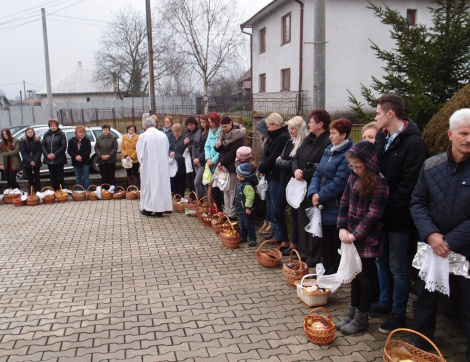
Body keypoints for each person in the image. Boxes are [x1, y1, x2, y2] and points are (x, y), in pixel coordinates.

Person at [409, 108, 470, 359]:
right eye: (464, 133)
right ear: (450, 134)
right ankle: (420, 344)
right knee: (425, 298)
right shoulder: (431, 165)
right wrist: (432, 234)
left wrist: (450, 241)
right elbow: (418, 202)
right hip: (433, 246)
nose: (468, 139)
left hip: (465, 249)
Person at [371, 94, 428, 333]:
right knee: (381, 260)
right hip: (379, 216)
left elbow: (408, 186)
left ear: (390, 114)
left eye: (378, 113)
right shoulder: (382, 138)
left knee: (398, 265)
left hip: (398, 219)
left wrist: (383, 213)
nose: (375, 117)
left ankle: (398, 313)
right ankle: (385, 302)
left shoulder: (414, 144)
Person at [335, 141, 389, 335]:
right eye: (353, 166)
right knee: (355, 277)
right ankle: (351, 313)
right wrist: (342, 228)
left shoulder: (378, 181)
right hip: (350, 236)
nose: (355, 170)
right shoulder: (352, 177)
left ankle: (361, 318)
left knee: (366, 278)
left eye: (359, 166)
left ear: (369, 162)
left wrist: (355, 234)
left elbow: (374, 214)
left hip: (367, 239)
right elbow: (344, 203)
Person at [307, 118, 353, 273]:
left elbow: (340, 182)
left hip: (335, 206)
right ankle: (328, 272)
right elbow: (318, 173)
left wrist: (320, 196)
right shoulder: (329, 150)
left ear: (344, 135)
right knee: (325, 242)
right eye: (331, 133)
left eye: (334, 133)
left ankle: (336, 274)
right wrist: (313, 192)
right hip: (322, 204)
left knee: (334, 243)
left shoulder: (347, 155)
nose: (331, 136)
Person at [292, 109, 332, 266]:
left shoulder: (327, 142)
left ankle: (314, 257)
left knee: (314, 223)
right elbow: (295, 156)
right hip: (301, 186)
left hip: (315, 187)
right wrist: (296, 169)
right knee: (302, 220)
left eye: (311, 122)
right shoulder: (309, 139)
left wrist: (306, 172)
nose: (308, 124)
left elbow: (323, 166)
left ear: (321, 124)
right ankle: (304, 252)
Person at [275, 116, 309, 255]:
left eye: (293, 128)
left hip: (296, 182)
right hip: (283, 180)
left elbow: (290, 163)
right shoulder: (289, 142)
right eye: (289, 128)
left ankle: (294, 243)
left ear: (300, 129)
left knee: (295, 215)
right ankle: (284, 240)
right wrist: (283, 162)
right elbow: (280, 160)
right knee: (278, 211)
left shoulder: (303, 143)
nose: (290, 131)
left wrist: (282, 162)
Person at [257, 113, 290, 241]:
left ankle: (279, 234)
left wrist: (262, 168)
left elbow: (273, 158)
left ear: (275, 125)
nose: (268, 129)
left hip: (276, 175)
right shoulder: (275, 136)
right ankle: (275, 231)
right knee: (271, 203)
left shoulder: (282, 138)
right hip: (270, 175)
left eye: (269, 126)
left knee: (277, 207)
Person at [136, 116, 173, 217]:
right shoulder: (162, 135)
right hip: (162, 166)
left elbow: (140, 153)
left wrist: (142, 163)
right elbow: (167, 149)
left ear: (145, 126)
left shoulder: (143, 136)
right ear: (155, 124)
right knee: (162, 185)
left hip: (149, 166)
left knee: (149, 186)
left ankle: (148, 208)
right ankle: (162, 208)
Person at [214, 116, 245, 219]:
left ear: (231, 123)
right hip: (223, 166)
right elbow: (222, 150)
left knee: (231, 190)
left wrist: (221, 162)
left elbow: (232, 153)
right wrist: (217, 146)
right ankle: (226, 212)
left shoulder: (238, 134)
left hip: (231, 166)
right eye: (222, 127)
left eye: (225, 127)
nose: (224, 129)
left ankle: (232, 214)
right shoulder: (222, 134)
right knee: (225, 190)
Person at [234, 163, 259, 247]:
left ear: (242, 175)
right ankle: (243, 236)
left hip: (246, 209)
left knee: (249, 224)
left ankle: (252, 239)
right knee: (242, 224)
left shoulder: (247, 185)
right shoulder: (242, 183)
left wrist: (248, 207)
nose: (236, 176)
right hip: (241, 208)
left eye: (237, 174)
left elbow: (250, 197)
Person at [41, 119, 67, 191]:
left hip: (59, 159)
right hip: (49, 159)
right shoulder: (46, 134)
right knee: (52, 176)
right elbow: (43, 145)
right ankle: (55, 191)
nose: (52, 127)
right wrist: (47, 155)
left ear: (57, 126)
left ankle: (62, 190)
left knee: (60, 176)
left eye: (54, 125)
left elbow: (63, 146)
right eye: (51, 126)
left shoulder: (61, 134)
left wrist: (55, 154)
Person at [204, 112, 222, 211]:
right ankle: (214, 208)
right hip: (210, 163)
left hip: (218, 163)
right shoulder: (210, 131)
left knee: (218, 188)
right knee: (213, 187)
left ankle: (219, 208)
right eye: (209, 122)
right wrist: (208, 159)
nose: (211, 124)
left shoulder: (221, 131)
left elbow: (221, 150)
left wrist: (214, 160)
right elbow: (207, 146)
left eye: (212, 122)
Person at [67, 125, 91, 191]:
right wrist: (75, 156)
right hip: (75, 161)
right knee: (78, 177)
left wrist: (81, 156)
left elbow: (88, 150)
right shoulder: (71, 140)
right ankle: (80, 191)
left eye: (82, 132)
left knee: (86, 177)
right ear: (76, 133)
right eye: (80, 132)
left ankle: (87, 191)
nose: (81, 134)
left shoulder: (86, 140)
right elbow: (69, 151)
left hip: (85, 161)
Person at [19, 127, 42, 192]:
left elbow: (39, 151)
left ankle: (38, 190)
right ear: (26, 133)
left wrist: (35, 160)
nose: (30, 133)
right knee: (30, 178)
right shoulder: (23, 141)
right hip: (27, 161)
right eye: (29, 132)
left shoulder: (37, 141)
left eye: (31, 132)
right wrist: (29, 160)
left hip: (36, 160)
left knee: (37, 177)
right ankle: (31, 191)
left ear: (33, 133)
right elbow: (23, 152)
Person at [192, 115, 209, 199]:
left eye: (204, 122)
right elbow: (194, 145)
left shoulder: (209, 133)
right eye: (201, 122)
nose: (202, 124)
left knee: (197, 182)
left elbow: (207, 148)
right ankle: (203, 200)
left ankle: (199, 199)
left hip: (203, 160)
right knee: (202, 182)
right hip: (196, 159)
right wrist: (194, 158)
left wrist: (199, 159)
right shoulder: (199, 132)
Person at [183, 117, 199, 200]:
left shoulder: (198, 132)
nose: (190, 127)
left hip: (195, 156)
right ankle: (191, 194)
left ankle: (196, 195)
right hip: (188, 157)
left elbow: (196, 144)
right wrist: (184, 143)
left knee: (195, 177)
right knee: (189, 177)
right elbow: (183, 143)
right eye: (188, 125)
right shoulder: (186, 133)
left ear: (195, 124)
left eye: (192, 125)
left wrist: (189, 147)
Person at [168, 123, 186, 197]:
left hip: (181, 162)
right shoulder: (170, 138)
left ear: (181, 131)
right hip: (172, 163)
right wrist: (170, 153)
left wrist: (175, 153)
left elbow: (183, 150)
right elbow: (168, 148)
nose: (175, 134)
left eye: (177, 132)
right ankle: (174, 196)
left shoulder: (184, 138)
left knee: (181, 181)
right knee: (173, 180)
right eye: (174, 132)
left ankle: (180, 196)